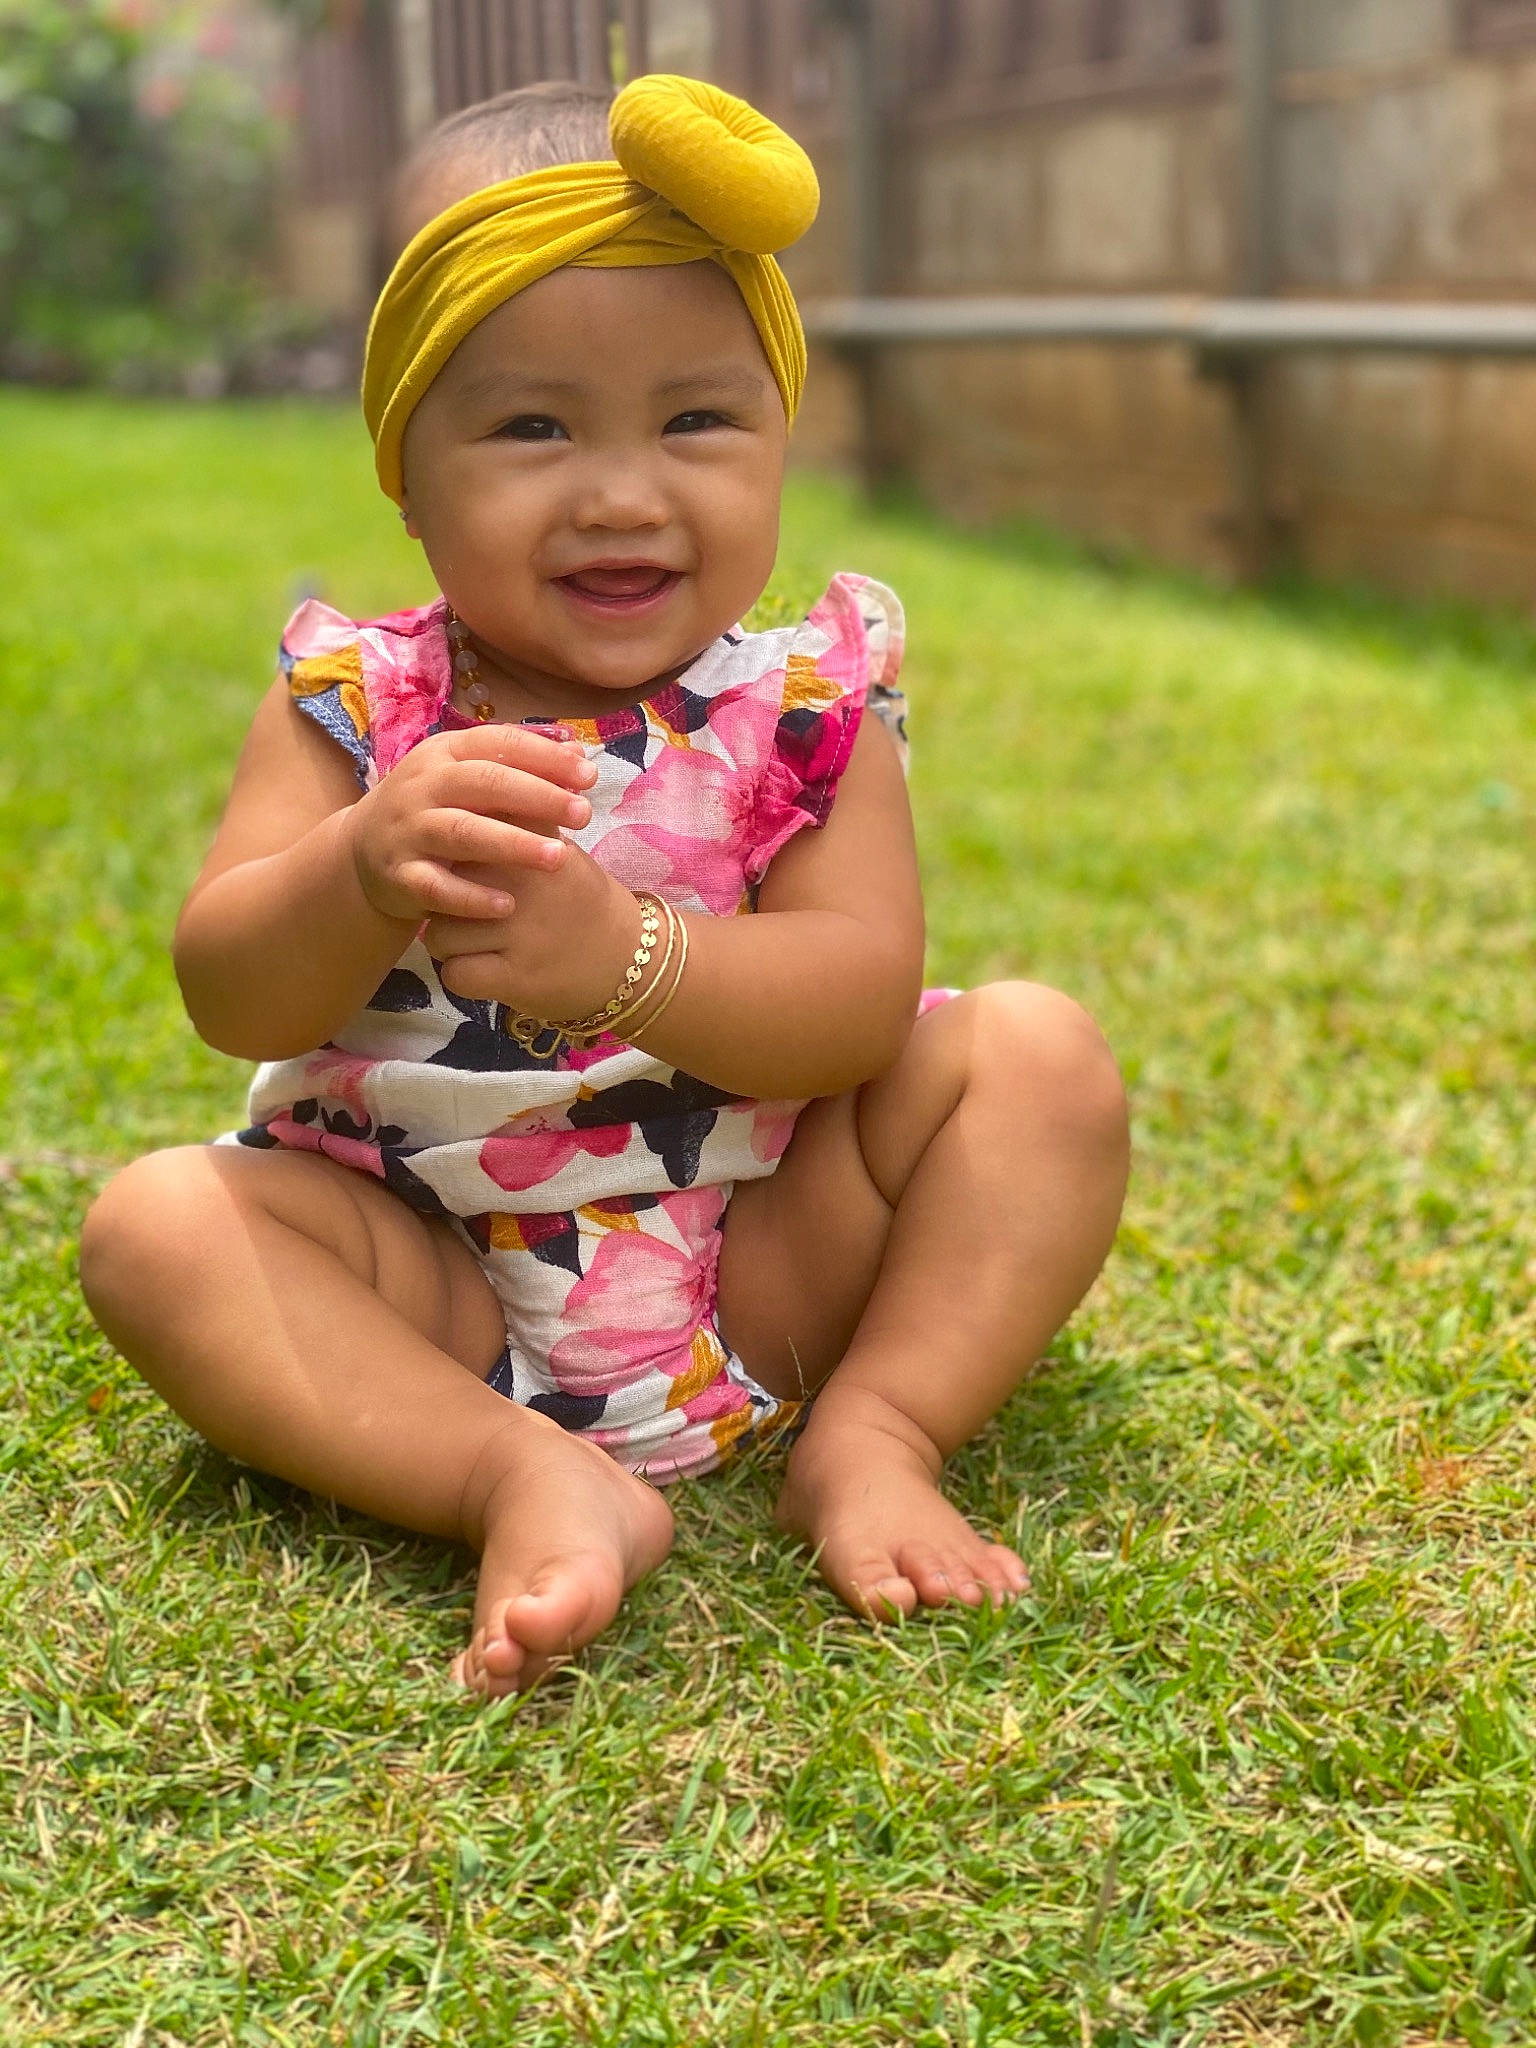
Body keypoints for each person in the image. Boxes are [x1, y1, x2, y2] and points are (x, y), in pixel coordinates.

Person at [79, 74, 1130, 1698]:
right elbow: (230, 991)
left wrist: (621, 956)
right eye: (532, 426)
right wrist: (357, 871)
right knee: (159, 1228)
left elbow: (856, 1000)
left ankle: (874, 1430)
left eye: (697, 420)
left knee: (1037, 1057)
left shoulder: (805, 707)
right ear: (403, 466)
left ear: (782, 436)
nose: (624, 491)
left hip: (766, 1255)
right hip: (424, 1276)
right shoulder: (355, 705)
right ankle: (515, 1471)